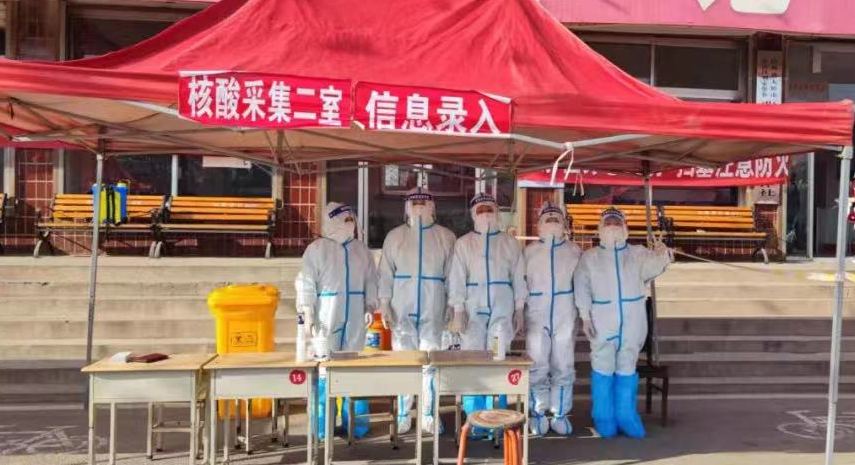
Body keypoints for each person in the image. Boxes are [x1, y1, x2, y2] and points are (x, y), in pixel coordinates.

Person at [574, 207, 671, 439]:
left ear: (625, 228)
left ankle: (626, 415)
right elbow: (581, 286)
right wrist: (585, 316)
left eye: (616, 222)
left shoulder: (637, 253)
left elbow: (653, 267)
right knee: (603, 366)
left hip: (632, 318)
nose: (612, 226)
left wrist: (661, 254)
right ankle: (604, 417)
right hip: (603, 319)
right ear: (600, 228)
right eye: (608, 222)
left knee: (627, 365)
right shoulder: (590, 257)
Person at [295, 202, 378, 440]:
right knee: (324, 370)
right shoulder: (317, 249)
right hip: (326, 316)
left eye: (351, 219)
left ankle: (356, 425)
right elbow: (306, 281)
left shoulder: (361, 250)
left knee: (355, 368)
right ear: (331, 221)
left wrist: (370, 305)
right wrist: (308, 310)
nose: (350, 224)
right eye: (345, 219)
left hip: (355, 316)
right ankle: (322, 426)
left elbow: (371, 280)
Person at [378, 187, 457, 435]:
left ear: (433, 206)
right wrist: (384, 303)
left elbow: (453, 275)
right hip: (402, 306)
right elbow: (385, 273)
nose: (419, 205)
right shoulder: (394, 237)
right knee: (405, 361)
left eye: (424, 201)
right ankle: (404, 413)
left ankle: (428, 414)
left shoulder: (446, 237)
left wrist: (453, 304)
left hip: (434, 304)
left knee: (430, 361)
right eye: (415, 202)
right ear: (406, 206)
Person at [448, 193, 527, 433]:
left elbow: (518, 275)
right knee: (473, 359)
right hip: (472, 306)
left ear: (497, 212)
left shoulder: (509, 242)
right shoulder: (463, 243)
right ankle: (475, 418)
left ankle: (497, 418)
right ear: (473, 214)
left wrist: (520, 307)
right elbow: (457, 277)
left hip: (502, 305)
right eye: (480, 209)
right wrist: (458, 309)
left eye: (489, 208)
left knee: (498, 358)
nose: (485, 213)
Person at [523, 201, 582, 436]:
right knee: (537, 365)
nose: (552, 221)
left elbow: (584, 284)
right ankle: (538, 413)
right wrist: (518, 312)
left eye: (556, 218)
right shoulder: (529, 252)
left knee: (563, 364)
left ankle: (559, 413)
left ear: (564, 223)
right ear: (539, 224)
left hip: (565, 314)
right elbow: (520, 283)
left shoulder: (575, 251)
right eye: (547, 218)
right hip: (536, 315)